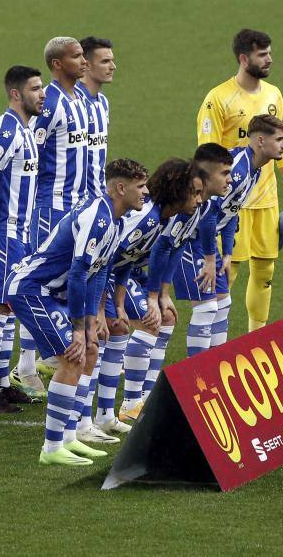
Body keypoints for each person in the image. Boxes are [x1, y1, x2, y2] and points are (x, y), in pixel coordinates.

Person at [5, 159, 148, 466]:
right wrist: (79, 328)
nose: (145, 193)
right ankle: (52, 447)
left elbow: (100, 272)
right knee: (74, 354)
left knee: (90, 352)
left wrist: (96, 315)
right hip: (32, 289)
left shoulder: (117, 220)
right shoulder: (98, 218)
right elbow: (79, 273)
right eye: (140, 186)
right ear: (121, 188)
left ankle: (71, 435)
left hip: (52, 293)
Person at [197, 29, 283, 332]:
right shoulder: (218, 99)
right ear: (244, 58)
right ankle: (208, 341)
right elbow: (205, 157)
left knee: (265, 270)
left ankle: (255, 338)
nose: (269, 59)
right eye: (262, 54)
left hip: (266, 199)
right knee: (226, 271)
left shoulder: (274, 94)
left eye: (269, 52)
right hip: (231, 204)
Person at [86, 159, 203, 434]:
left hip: (114, 277)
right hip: (91, 274)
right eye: (194, 193)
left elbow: (131, 260)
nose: (199, 200)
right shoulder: (146, 218)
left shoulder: (168, 217)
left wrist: (121, 302)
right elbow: (105, 259)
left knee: (124, 327)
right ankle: (100, 415)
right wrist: (102, 309)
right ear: (177, 190)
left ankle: (111, 412)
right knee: (100, 339)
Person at [175, 115, 283, 356]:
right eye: (279, 140)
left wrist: (227, 252)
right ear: (260, 141)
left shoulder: (255, 169)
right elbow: (208, 215)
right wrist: (209, 258)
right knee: (206, 308)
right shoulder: (237, 170)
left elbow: (232, 213)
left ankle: (215, 366)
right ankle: (198, 373)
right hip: (186, 237)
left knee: (223, 304)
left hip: (205, 240)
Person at [15, 36, 91, 390]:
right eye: (77, 57)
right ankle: (26, 365)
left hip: (77, 205)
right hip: (51, 208)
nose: (84, 61)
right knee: (39, 282)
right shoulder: (51, 103)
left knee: (64, 284)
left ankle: (45, 357)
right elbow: (31, 149)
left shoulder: (83, 100)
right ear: (58, 64)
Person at [0, 66, 46, 412]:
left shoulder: (27, 130)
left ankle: (2, 384)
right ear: (16, 94)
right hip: (3, 230)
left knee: (11, 306)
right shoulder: (7, 129)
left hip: (21, 232)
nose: (42, 94)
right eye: (34, 89)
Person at [75, 36, 115, 198]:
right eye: (105, 62)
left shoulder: (103, 102)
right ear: (86, 65)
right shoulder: (72, 103)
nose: (113, 67)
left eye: (112, 61)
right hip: (75, 200)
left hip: (98, 196)